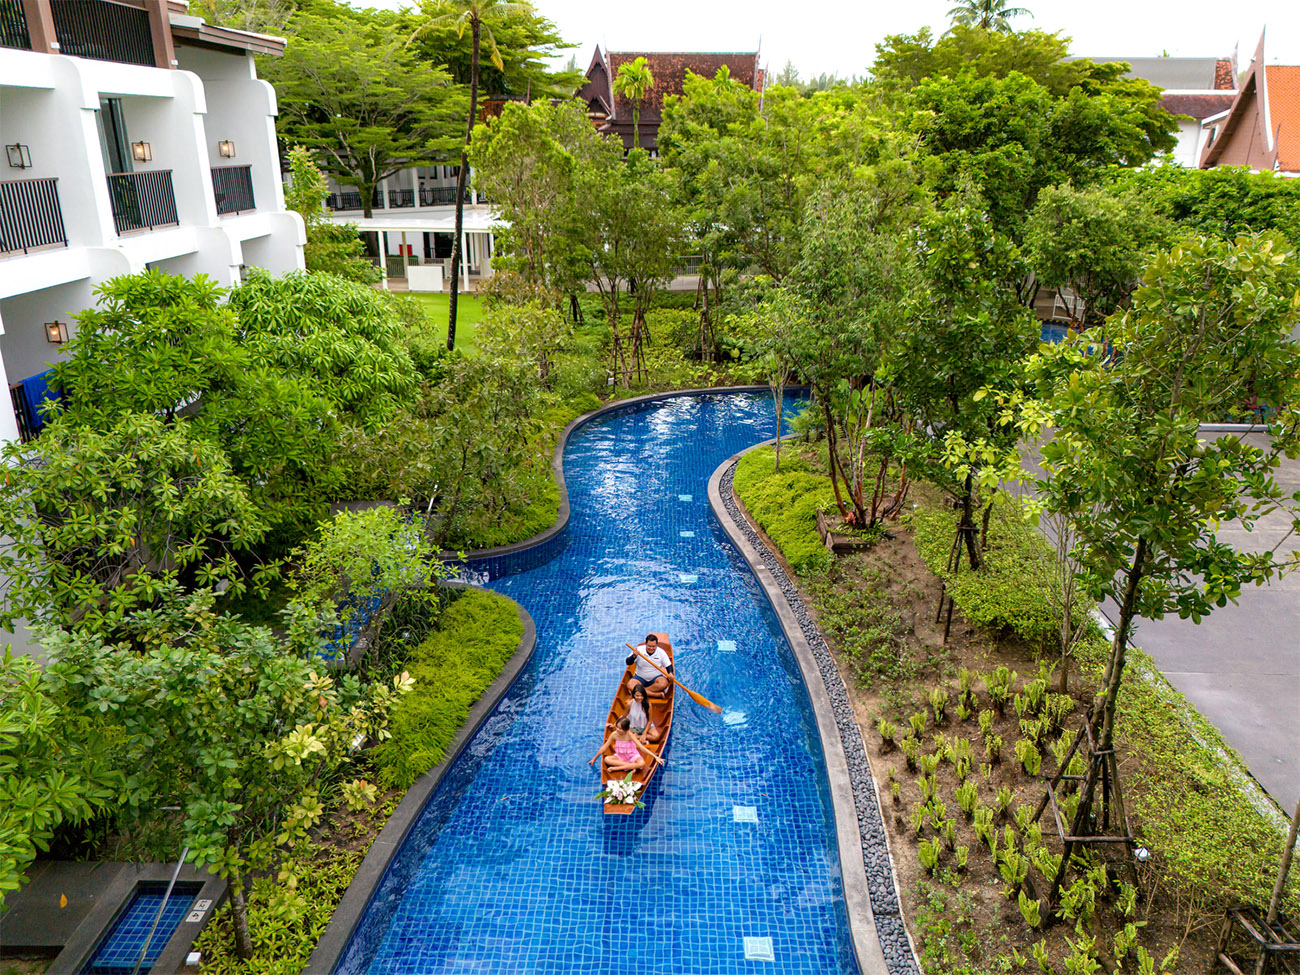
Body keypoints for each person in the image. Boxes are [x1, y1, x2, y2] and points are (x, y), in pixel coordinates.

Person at [589, 716, 664, 774]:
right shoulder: (614, 735)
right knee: (607, 759)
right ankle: (631, 766)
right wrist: (594, 759)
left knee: (642, 763)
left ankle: (617, 768)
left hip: (632, 756)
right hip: (620, 756)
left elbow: (641, 748)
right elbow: (604, 748)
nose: (618, 729)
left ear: (626, 729)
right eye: (617, 727)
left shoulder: (629, 735)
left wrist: (655, 757)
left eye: (620, 728)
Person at [625, 633, 672, 699]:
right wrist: (634, 656)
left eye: (653, 646)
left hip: (656, 678)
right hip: (640, 677)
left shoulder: (661, 652)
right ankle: (655, 695)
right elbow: (628, 662)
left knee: (663, 683)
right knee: (630, 685)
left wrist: (670, 673)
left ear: (656, 645)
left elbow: (668, 666)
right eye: (649, 646)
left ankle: (639, 692)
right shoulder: (639, 650)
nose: (651, 648)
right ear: (645, 644)